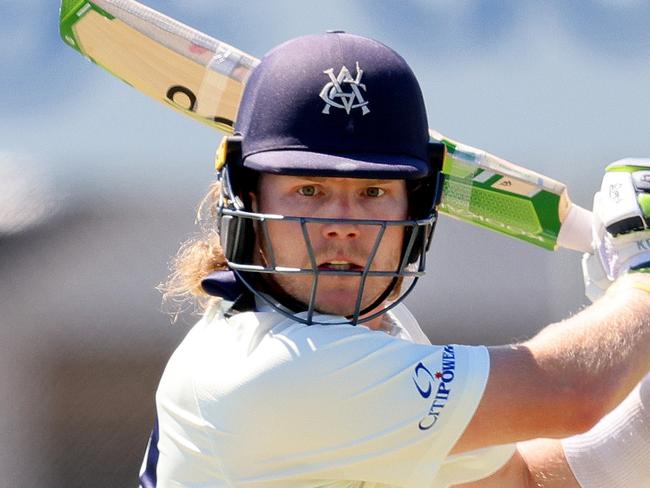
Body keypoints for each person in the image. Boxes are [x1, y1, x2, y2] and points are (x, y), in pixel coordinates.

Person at [138, 32, 650, 488]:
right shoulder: (271, 371)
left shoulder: (378, 330)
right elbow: (567, 391)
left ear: (417, 206)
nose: (343, 224)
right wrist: (640, 282)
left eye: (374, 190)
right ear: (249, 201)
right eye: (309, 189)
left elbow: (522, 480)